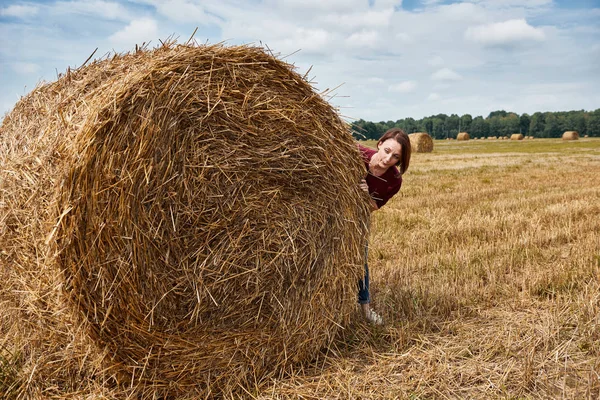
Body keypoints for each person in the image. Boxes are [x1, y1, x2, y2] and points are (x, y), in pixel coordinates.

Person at [357, 128, 411, 324]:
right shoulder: (357, 153)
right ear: (380, 144)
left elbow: (373, 207)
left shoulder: (394, 180)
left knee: (359, 262)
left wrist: (364, 195)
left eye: (396, 157)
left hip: (357, 219)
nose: (388, 159)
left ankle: (366, 309)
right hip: (329, 210)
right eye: (387, 150)